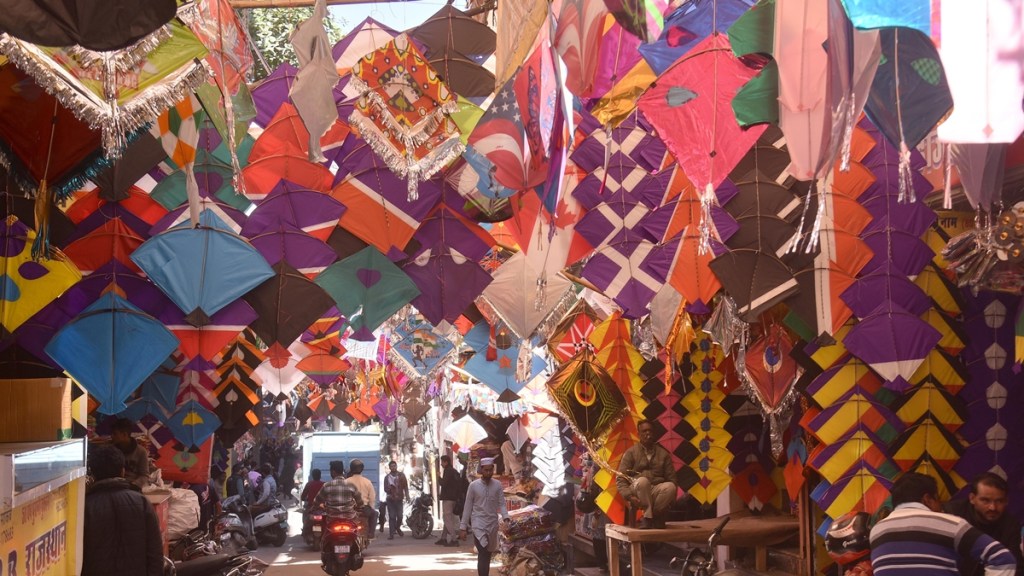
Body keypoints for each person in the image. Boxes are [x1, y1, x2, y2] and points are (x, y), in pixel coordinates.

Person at [870, 472, 1017, 576]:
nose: (941, 507)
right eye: (938, 500)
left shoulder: (876, 531)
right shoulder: (950, 523)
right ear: (928, 499)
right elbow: (1002, 558)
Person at [82, 445, 163, 576]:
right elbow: (155, 553)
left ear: (94, 474)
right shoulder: (142, 503)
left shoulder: (85, 507)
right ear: (122, 471)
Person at [944, 473, 1023, 576]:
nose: (993, 507)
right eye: (985, 500)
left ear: (1007, 501)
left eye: (999, 501)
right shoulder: (951, 515)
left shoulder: (1010, 525)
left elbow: (1015, 567)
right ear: (972, 498)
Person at [615, 419, 677, 528]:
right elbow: (620, 478)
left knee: (671, 487)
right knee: (643, 481)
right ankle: (648, 518)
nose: (648, 433)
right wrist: (629, 496)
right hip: (638, 489)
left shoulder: (663, 454)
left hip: (655, 489)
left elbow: (672, 479)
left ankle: (655, 515)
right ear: (638, 434)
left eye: (650, 431)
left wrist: (671, 501)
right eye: (644, 431)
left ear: (654, 433)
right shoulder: (631, 453)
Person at [460, 458, 510, 576]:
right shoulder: (473, 486)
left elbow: (502, 503)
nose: (488, 472)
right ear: (481, 470)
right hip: (478, 523)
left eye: (490, 470)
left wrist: (506, 517)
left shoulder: (497, 485)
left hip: (492, 523)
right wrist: (462, 527)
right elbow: (467, 506)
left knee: (487, 553)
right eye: (486, 470)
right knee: (482, 552)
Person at [110, 418, 152, 488]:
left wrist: (133, 485)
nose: (111, 436)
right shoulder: (111, 450)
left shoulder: (141, 451)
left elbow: (144, 475)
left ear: (124, 434)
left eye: (115, 434)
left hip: (133, 487)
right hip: (113, 486)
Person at [347, 459, 379, 534]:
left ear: (351, 469)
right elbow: (372, 498)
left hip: (350, 509)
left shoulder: (346, 481)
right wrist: (371, 507)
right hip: (364, 509)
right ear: (362, 469)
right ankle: (371, 534)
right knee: (375, 514)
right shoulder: (367, 482)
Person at [437, 454, 461, 546]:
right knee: (448, 518)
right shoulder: (454, 471)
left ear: (445, 462)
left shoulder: (448, 471)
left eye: (442, 462)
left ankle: (454, 539)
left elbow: (443, 483)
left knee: (447, 519)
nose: (441, 464)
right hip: (453, 498)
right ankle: (443, 538)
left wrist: (439, 477)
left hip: (448, 498)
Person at [384, 459, 410, 539]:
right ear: (389, 468)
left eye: (394, 466)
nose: (393, 467)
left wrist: (407, 496)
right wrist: (390, 489)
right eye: (391, 466)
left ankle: (397, 527)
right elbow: (385, 489)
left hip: (399, 499)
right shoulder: (387, 477)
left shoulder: (401, 475)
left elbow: (405, 486)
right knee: (392, 516)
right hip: (390, 500)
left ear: (396, 466)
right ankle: (391, 534)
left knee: (400, 516)